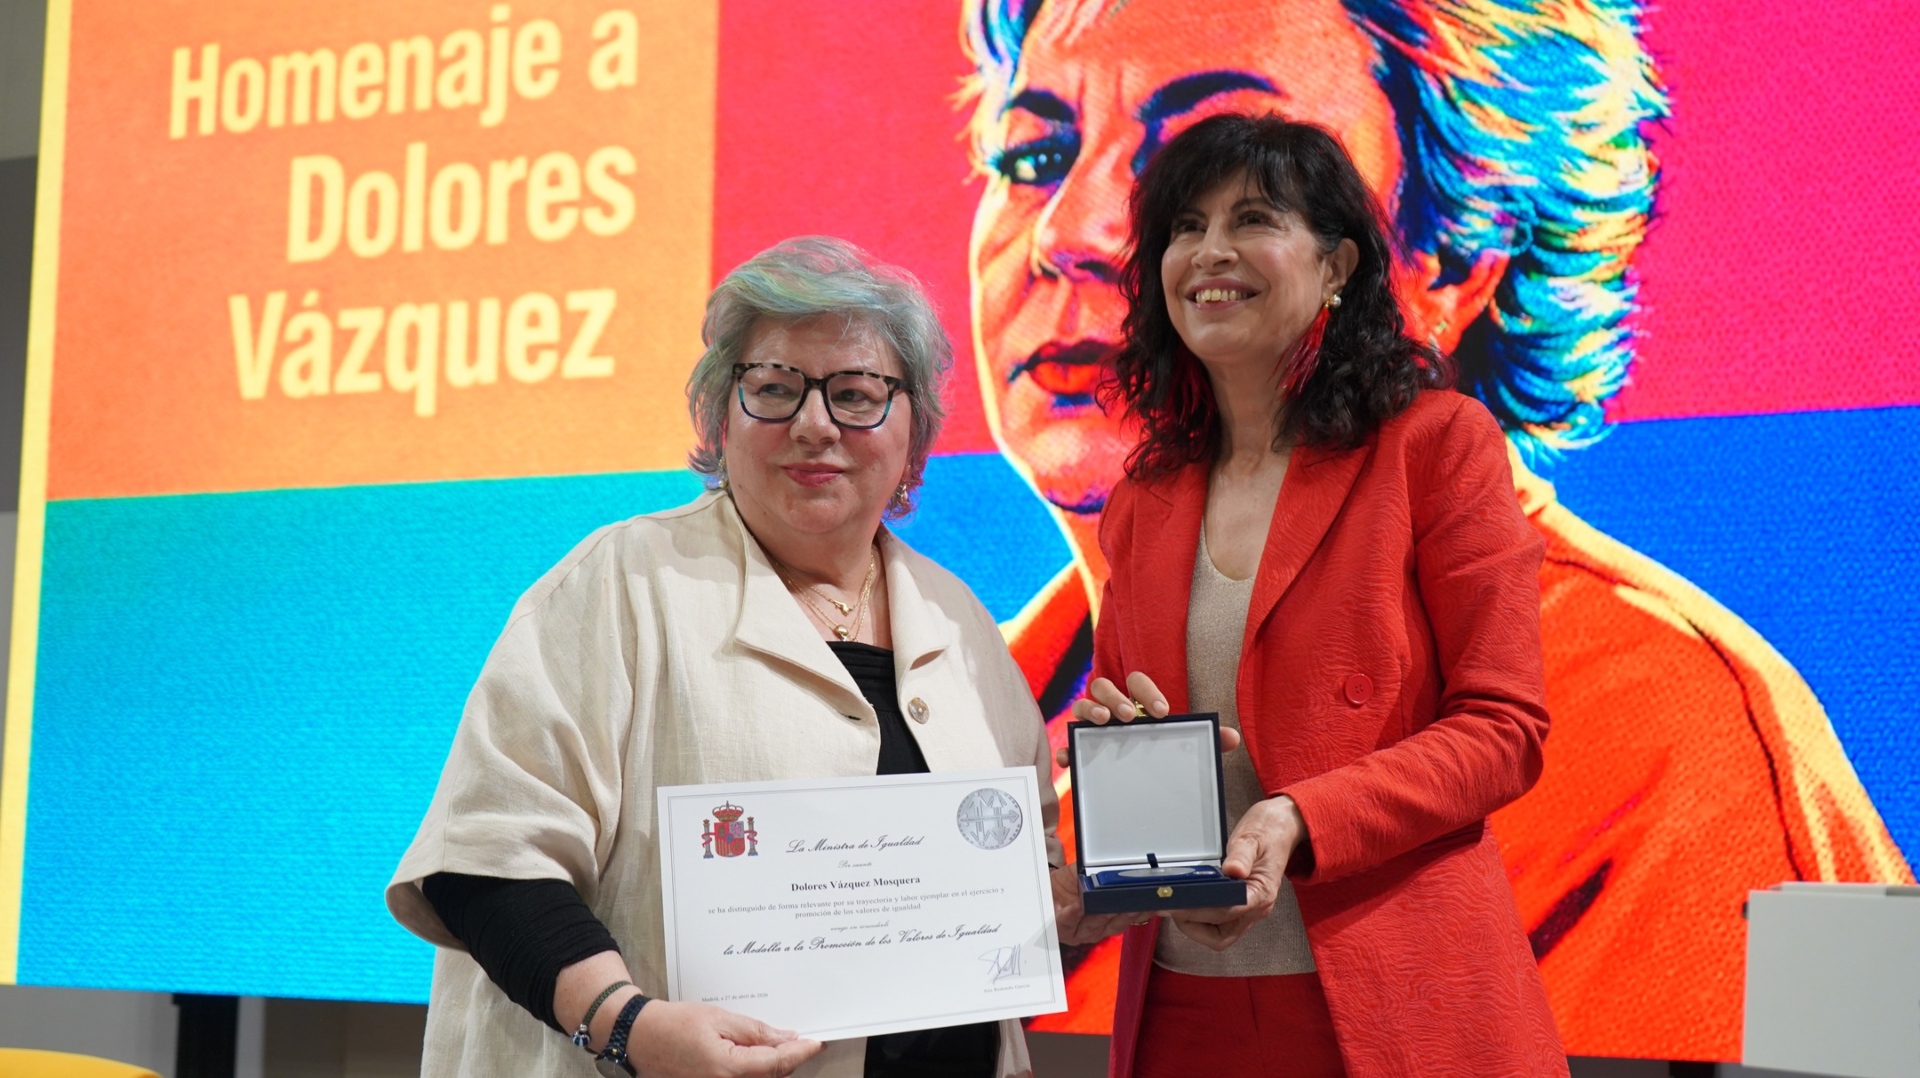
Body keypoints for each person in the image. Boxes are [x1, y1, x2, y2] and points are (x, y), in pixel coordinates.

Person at [958, 0, 1912, 1057]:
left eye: (1221, 174)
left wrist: (1301, 825)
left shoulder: (1685, 739)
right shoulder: (969, 699)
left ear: (1455, 255)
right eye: (1036, 153)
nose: (1067, 233)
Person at [386, 237, 1060, 1078]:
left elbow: (1021, 879)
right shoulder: (618, 584)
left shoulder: (963, 623)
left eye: (856, 394)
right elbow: (484, 864)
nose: (815, 425)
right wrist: (625, 1025)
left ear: (914, 429)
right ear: (720, 416)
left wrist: (1118, 881)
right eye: (775, 389)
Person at [1066, 111, 1561, 1077]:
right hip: (1181, 1002)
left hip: (1394, 999)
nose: (1210, 251)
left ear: (1336, 267)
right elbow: (1127, 733)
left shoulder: (1437, 445)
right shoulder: (1141, 500)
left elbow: (1505, 726)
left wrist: (1298, 818)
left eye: (1252, 219)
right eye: (1184, 227)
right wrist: (1125, 763)